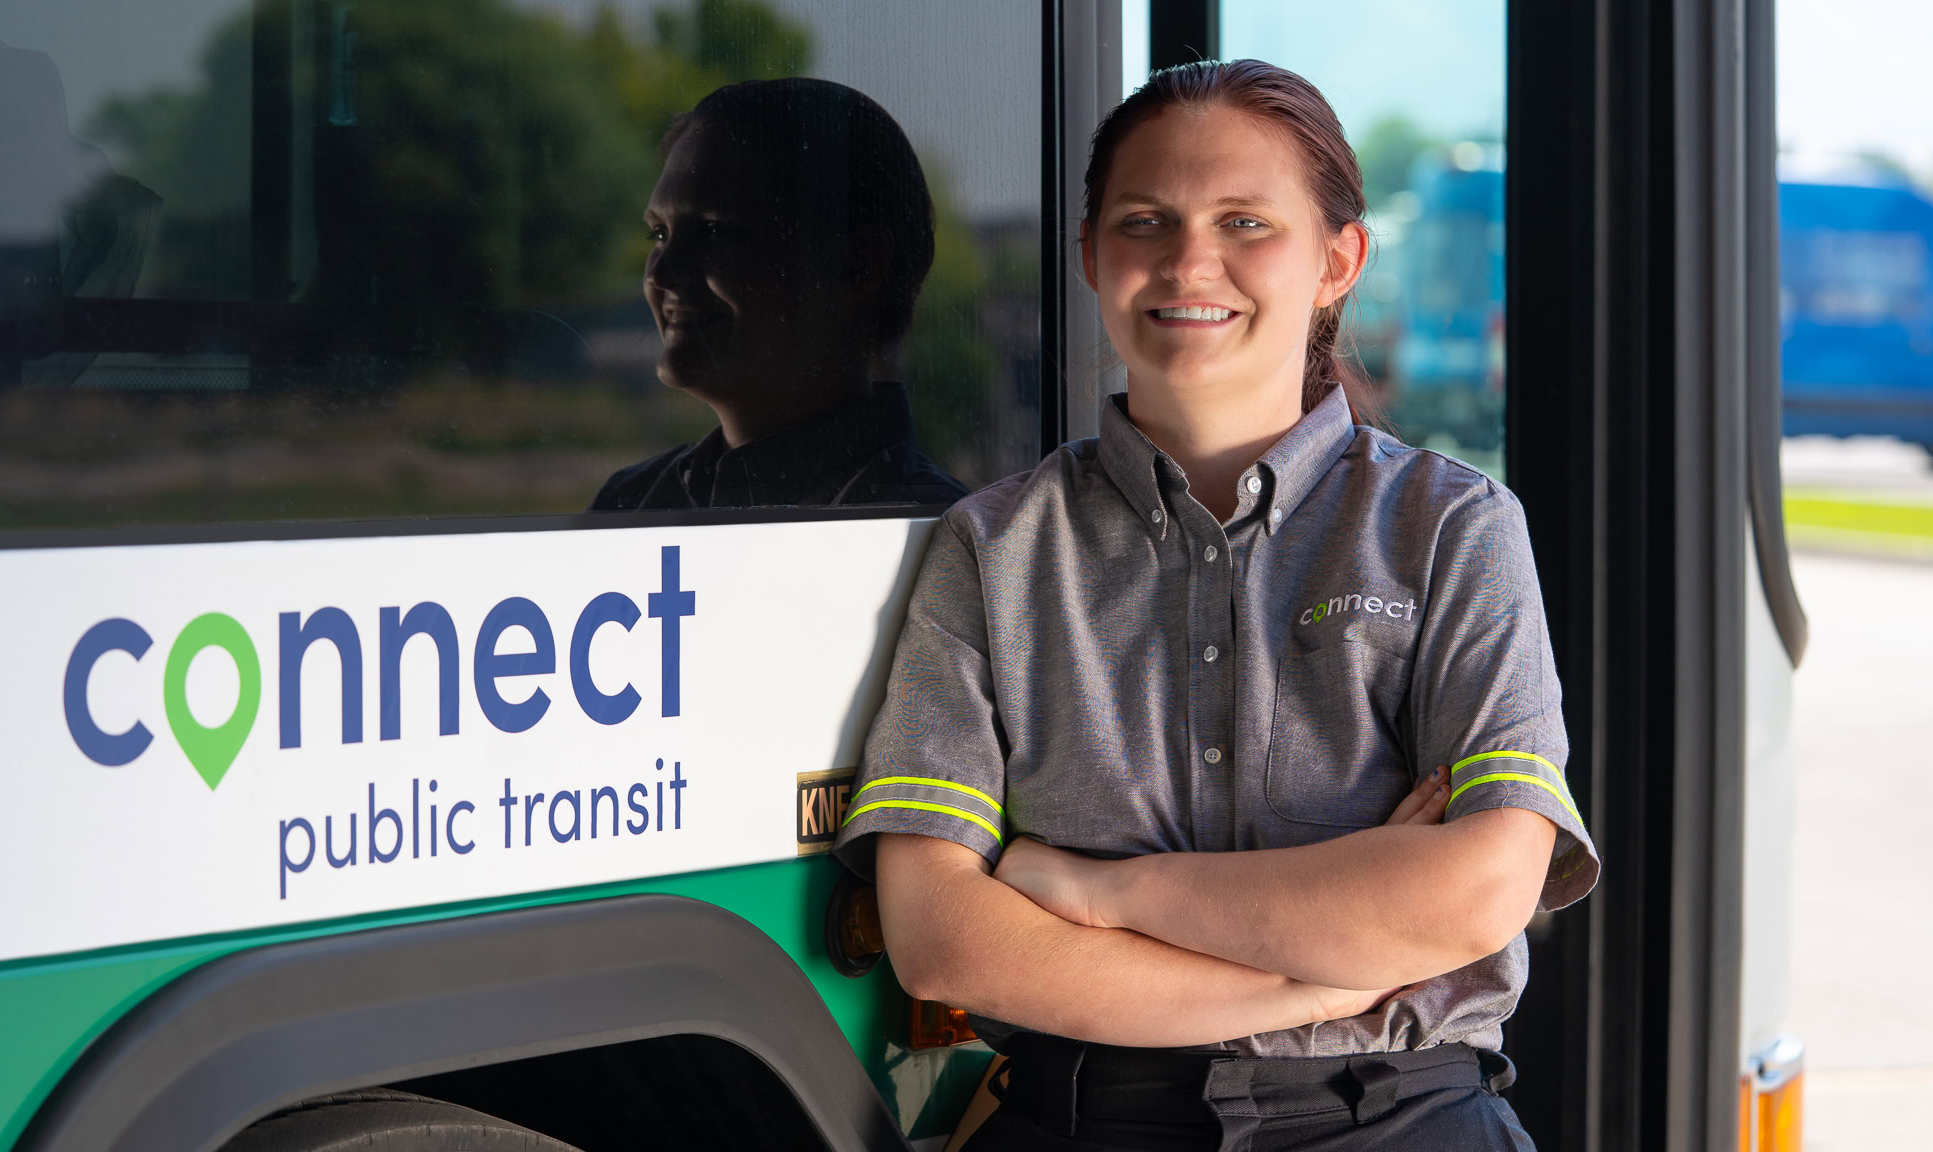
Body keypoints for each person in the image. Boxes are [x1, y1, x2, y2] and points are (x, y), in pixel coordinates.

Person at [832, 60, 1598, 1150]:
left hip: (1402, 1119)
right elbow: (943, 939)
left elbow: (1476, 893)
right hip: (1081, 1123)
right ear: (1092, 256)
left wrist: (1104, 895)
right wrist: (1313, 985)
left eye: (1245, 221)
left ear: (1338, 261)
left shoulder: (1453, 528)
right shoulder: (993, 550)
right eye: (1145, 221)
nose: (1190, 261)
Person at [590, 78, 965, 511]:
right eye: (659, 233)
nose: (661, 272)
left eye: (714, 231)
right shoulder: (631, 504)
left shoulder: (935, 539)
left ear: (858, 266)